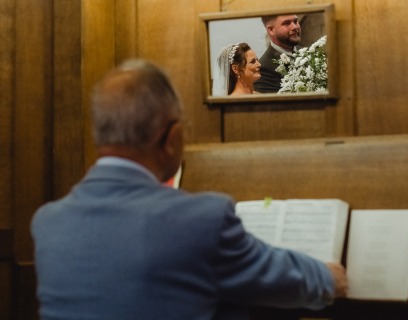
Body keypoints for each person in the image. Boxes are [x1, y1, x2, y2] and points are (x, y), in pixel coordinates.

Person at [31, 59, 347, 320]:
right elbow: (281, 279)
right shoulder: (199, 220)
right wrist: (327, 277)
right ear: (171, 137)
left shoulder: (48, 222)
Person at [254, 14, 301, 93]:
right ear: (271, 30)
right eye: (287, 23)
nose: (295, 27)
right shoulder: (263, 69)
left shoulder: (309, 51)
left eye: (295, 21)